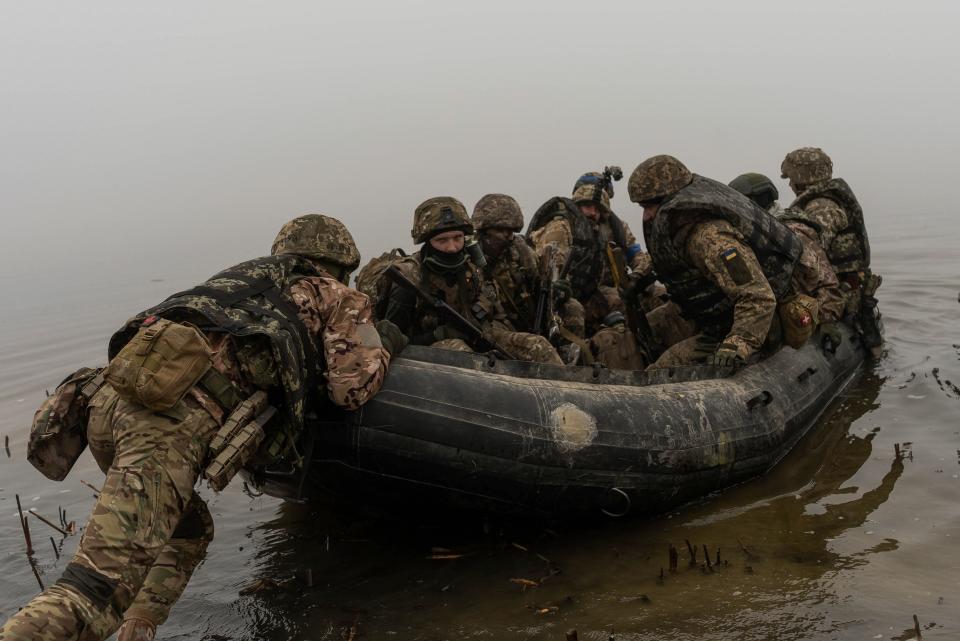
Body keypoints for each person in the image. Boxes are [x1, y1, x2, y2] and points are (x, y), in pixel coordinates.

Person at [1, 215, 395, 641]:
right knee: (97, 586)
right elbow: (350, 390)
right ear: (341, 262)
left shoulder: (240, 280)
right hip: (164, 431)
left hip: (106, 408)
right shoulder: (336, 294)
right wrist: (386, 345)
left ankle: (139, 629)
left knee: (188, 529)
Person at [627, 155, 803, 369]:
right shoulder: (680, 230)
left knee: (662, 369)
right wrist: (640, 274)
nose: (646, 216)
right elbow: (668, 257)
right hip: (716, 322)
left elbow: (758, 296)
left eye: (649, 206)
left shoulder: (709, 238)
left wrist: (737, 344)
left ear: (669, 199)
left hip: (757, 326)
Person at [382, 196, 562, 365]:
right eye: (442, 240)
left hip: (479, 335)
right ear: (427, 242)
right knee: (465, 356)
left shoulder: (472, 265)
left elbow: (494, 313)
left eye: (457, 238)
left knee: (538, 346)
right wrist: (438, 334)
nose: (452, 247)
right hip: (430, 352)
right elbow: (395, 339)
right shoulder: (409, 276)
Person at [779, 147, 882, 351]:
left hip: (839, 295)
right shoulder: (825, 202)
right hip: (842, 290)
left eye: (791, 178)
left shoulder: (821, 207)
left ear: (802, 177)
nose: (790, 184)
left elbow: (811, 255)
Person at [729, 172, 846, 344]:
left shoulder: (792, 233)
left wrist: (825, 320)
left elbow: (828, 286)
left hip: (796, 310)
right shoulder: (752, 231)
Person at [471, 194, 586, 346]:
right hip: (491, 326)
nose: (507, 237)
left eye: (511, 231)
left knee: (572, 307)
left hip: (526, 321)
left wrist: (557, 291)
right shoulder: (470, 259)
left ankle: (569, 354)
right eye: (501, 230)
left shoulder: (521, 252)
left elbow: (540, 286)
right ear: (483, 230)